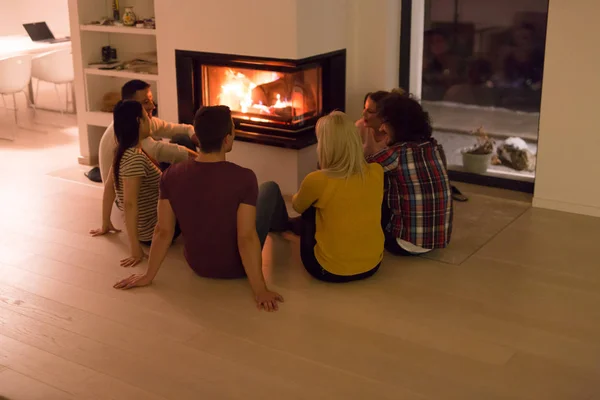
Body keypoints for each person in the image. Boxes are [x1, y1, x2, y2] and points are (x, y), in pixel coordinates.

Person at [113, 106, 288, 312]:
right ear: (226, 140)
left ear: (198, 138)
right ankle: (287, 226)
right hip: (237, 267)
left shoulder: (170, 175)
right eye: (233, 129)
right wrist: (260, 289)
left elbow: (163, 230)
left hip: (198, 265)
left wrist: (148, 275)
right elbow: (246, 237)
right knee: (270, 189)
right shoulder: (245, 178)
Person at [292, 111, 384, 282]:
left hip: (327, 270)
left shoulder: (317, 179)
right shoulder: (376, 171)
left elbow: (297, 206)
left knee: (309, 208)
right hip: (373, 264)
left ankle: (284, 225)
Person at [90, 101, 179, 266]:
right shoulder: (135, 159)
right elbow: (130, 204)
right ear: (139, 122)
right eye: (147, 117)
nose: (150, 120)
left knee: (173, 168)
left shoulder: (121, 151)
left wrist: (105, 222)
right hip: (154, 231)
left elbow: (109, 187)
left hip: (145, 229)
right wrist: (135, 249)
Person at [366, 92, 453, 256]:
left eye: (385, 123)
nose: (381, 128)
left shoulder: (395, 155)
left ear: (397, 126)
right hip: (436, 239)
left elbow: (355, 170)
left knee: (370, 191)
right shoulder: (435, 148)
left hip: (402, 243)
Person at [97, 80, 199, 183]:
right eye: (146, 102)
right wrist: (205, 160)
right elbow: (165, 151)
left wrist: (193, 134)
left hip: (137, 180)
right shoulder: (129, 132)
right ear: (131, 107)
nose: (153, 106)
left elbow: (180, 128)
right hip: (128, 191)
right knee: (180, 155)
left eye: (151, 100)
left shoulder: (138, 122)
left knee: (182, 139)